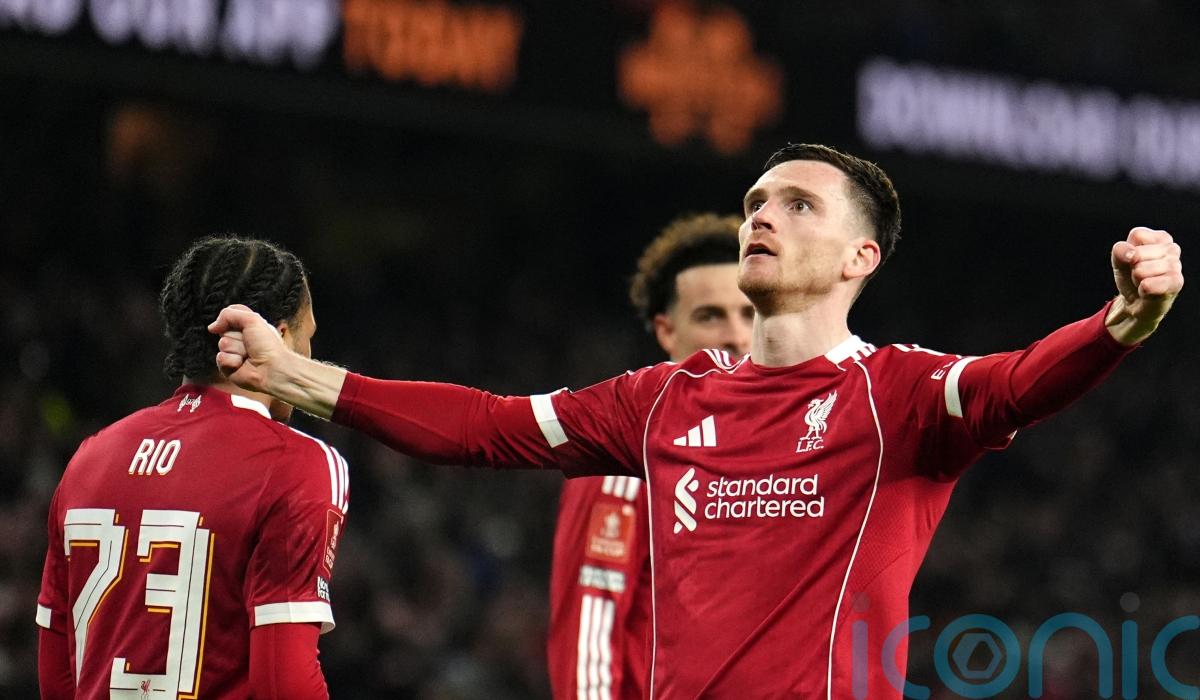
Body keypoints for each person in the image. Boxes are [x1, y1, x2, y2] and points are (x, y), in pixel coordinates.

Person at [208, 144, 1183, 698]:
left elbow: (1018, 384)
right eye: (757, 201)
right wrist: (293, 373)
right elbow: (487, 427)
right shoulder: (665, 399)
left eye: (799, 205)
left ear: (862, 258)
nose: (762, 215)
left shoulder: (899, 395)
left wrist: (1121, 324)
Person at [37, 237, 348, 700]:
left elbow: (58, 675)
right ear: (279, 337)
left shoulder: (89, 458)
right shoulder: (298, 463)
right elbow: (284, 683)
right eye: (308, 337)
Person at [549, 213, 752, 700]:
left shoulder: (773, 451)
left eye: (750, 313)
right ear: (666, 331)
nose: (736, 335)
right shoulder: (628, 453)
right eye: (710, 316)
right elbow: (589, 633)